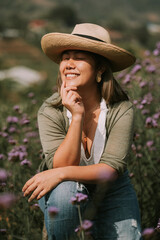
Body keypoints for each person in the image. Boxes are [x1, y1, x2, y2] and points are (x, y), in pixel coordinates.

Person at [22, 23, 142, 240]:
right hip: (64, 190)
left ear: (100, 68)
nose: (68, 63)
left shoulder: (121, 109)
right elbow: (61, 167)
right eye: (65, 57)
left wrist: (60, 173)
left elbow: (111, 169)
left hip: (112, 189)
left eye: (78, 57)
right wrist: (77, 116)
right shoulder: (50, 111)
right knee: (65, 193)